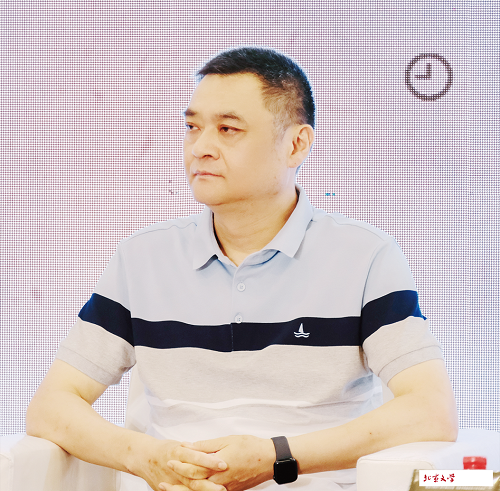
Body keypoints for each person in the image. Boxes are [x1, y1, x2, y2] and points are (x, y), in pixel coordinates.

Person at [26, 47, 458, 491]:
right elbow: (51, 406)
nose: (200, 148)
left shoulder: (365, 256)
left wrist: (276, 458)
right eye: (193, 127)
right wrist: (145, 457)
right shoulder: (142, 259)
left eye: (228, 129)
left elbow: (430, 410)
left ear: (296, 145)